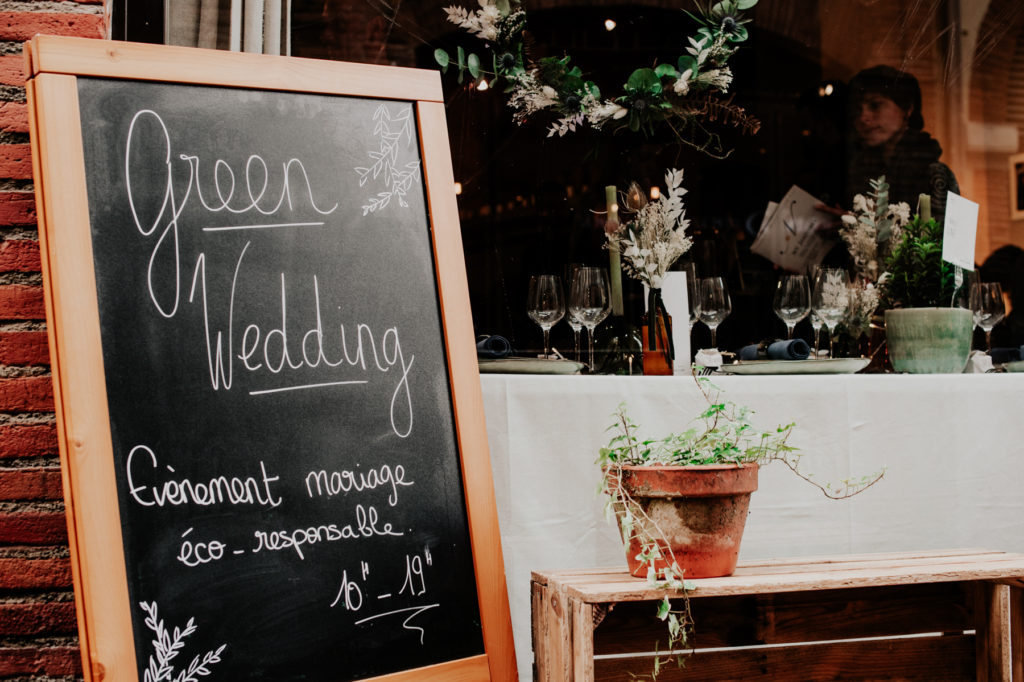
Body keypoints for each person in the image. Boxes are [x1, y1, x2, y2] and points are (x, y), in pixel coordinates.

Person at [844, 65, 958, 223]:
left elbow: (945, 242)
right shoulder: (860, 170)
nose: (864, 117)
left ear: (907, 108)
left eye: (875, 105)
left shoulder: (933, 173)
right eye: (857, 110)